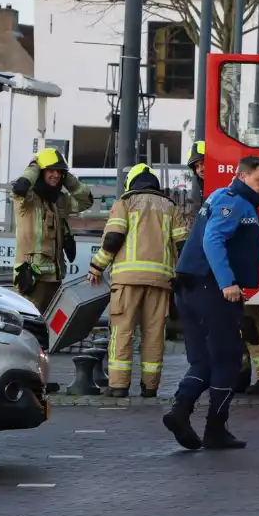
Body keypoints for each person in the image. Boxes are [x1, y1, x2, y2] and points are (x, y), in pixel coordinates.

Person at [162, 156, 259, 451]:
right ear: (243, 176)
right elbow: (213, 240)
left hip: (190, 287)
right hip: (210, 289)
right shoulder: (235, 202)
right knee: (227, 360)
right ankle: (215, 428)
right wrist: (227, 284)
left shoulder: (219, 195)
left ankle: (180, 411)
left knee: (203, 359)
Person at [186, 141, 259, 394]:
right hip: (221, 279)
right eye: (196, 166)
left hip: (226, 279)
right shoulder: (224, 197)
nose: (201, 170)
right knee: (235, 329)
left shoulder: (227, 197)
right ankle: (239, 376)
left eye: (204, 163)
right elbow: (211, 239)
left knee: (249, 325)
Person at [88, 164, 188, 398]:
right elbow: (182, 245)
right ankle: (150, 386)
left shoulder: (125, 202)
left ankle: (119, 386)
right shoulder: (170, 207)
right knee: (154, 334)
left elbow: (113, 238)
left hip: (128, 279)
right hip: (161, 280)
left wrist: (97, 266)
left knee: (122, 331)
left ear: (131, 183)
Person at [10, 149, 93, 322]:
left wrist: (66, 176)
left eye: (59, 172)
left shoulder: (59, 200)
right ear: (41, 172)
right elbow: (19, 188)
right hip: (32, 280)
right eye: (50, 170)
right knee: (29, 327)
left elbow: (86, 200)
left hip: (55, 278)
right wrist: (35, 165)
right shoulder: (27, 200)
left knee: (50, 330)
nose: (55, 175)